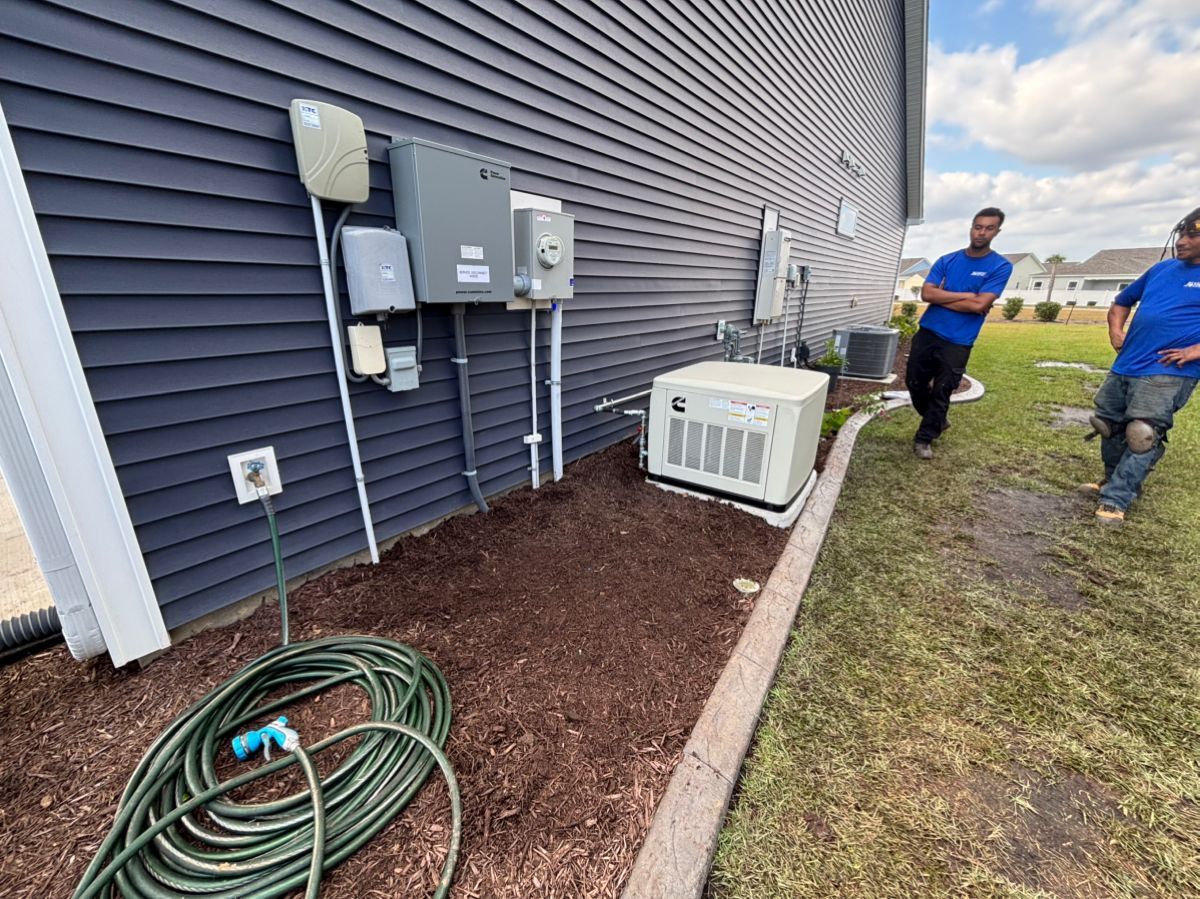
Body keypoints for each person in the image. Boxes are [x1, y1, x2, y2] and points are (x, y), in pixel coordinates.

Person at [1084, 208, 1200, 523]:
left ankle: (1116, 500)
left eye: (1193, 235)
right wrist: (1116, 331)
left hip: (1168, 371)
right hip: (1127, 363)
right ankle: (1113, 480)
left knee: (1142, 433)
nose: (1182, 241)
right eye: (1181, 233)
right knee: (1107, 424)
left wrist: (1195, 350)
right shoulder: (1161, 270)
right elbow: (1121, 302)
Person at [905, 208, 1013, 459]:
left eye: (989, 228)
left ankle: (924, 438)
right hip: (929, 331)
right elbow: (927, 294)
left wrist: (945, 297)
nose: (981, 232)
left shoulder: (1000, 266)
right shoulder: (948, 260)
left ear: (996, 232)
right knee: (914, 382)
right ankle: (938, 420)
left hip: (959, 340)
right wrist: (967, 296)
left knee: (943, 389)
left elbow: (979, 305)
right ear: (971, 227)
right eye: (978, 226)